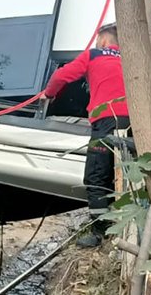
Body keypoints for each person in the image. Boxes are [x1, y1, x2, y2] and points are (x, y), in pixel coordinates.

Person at [38, 24, 129, 248]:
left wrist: (48, 94)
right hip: (134, 121)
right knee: (127, 175)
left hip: (106, 120)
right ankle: (121, 224)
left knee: (96, 177)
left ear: (104, 41)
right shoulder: (130, 58)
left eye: (98, 40)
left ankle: (100, 233)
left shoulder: (94, 55)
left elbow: (61, 76)